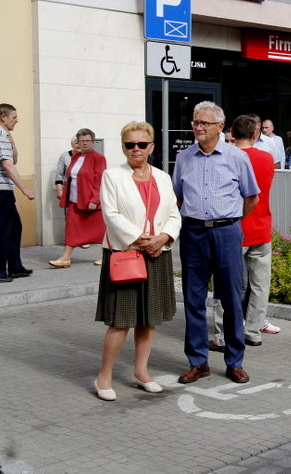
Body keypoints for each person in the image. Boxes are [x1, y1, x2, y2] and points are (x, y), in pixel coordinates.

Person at [93, 122, 182, 401]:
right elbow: (111, 214)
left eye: (141, 144)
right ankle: (104, 376)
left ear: (151, 147)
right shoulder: (112, 176)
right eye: (130, 144)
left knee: (148, 319)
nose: (136, 149)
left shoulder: (163, 177)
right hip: (126, 254)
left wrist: (163, 237)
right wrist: (142, 238)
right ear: (123, 147)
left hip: (157, 254)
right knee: (121, 320)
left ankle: (141, 372)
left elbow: (173, 214)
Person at [173, 101, 260, 385]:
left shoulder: (236, 157)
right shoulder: (184, 157)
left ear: (220, 127)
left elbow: (251, 197)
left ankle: (235, 361)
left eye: (204, 123)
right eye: (195, 122)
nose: (197, 127)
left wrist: (230, 221)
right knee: (193, 300)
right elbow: (178, 197)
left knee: (232, 300)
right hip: (194, 234)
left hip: (226, 233)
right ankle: (198, 362)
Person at [210, 115, 278, 352]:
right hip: (262, 228)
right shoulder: (267, 158)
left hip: (233, 229)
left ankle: (222, 335)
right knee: (260, 285)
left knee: (227, 284)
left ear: (231, 133)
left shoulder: (227, 158)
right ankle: (253, 331)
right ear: (255, 134)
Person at [49, 128, 106, 268]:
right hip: (74, 201)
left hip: (90, 202)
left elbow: (100, 181)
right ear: (77, 142)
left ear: (93, 142)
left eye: (88, 141)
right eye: (82, 141)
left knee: (101, 231)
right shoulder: (75, 157)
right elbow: (69, 177)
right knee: (71, 228)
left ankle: (108, 256)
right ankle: (65, 258)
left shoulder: (99, 158)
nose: (85, 143)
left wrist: (94, 200)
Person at [0, 104, 35, 283]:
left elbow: (14, 158)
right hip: (1, 191)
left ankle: (15, 267)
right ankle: (0, 270)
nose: (17, 120)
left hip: (4, 190)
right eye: (14, 117)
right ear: (3, 116)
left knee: (14, 227)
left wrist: (10, 135)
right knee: (3, 231)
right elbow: (7, 164)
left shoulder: (3, 134)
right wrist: (25, 188)